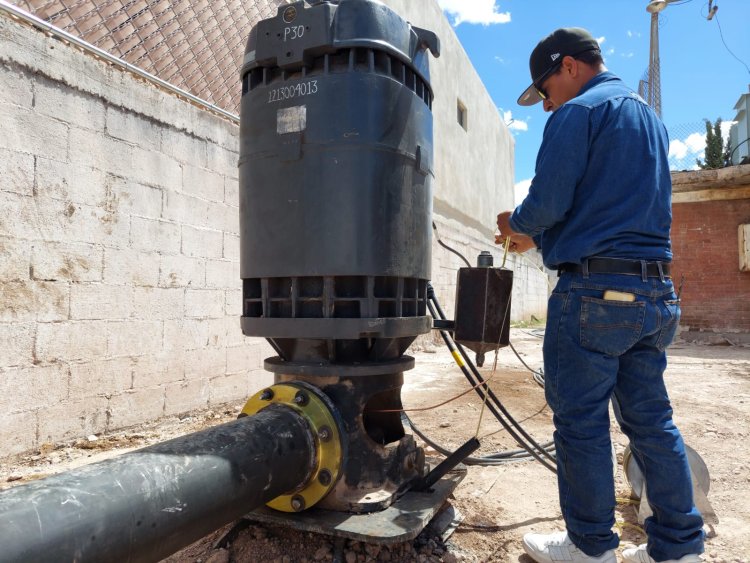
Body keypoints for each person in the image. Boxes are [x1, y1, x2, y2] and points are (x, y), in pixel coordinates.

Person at [496, 28, 705, 563]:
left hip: (593, 293)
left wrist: (518, 226)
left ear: (568, 66)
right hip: (655, 292)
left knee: (581, 422)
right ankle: (680, 548)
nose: (546, 104)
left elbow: (546, 204)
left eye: (545, 89)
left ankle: (590, 549)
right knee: (652, 421)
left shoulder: (579, 113)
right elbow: (609, 206)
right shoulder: (649, 119)